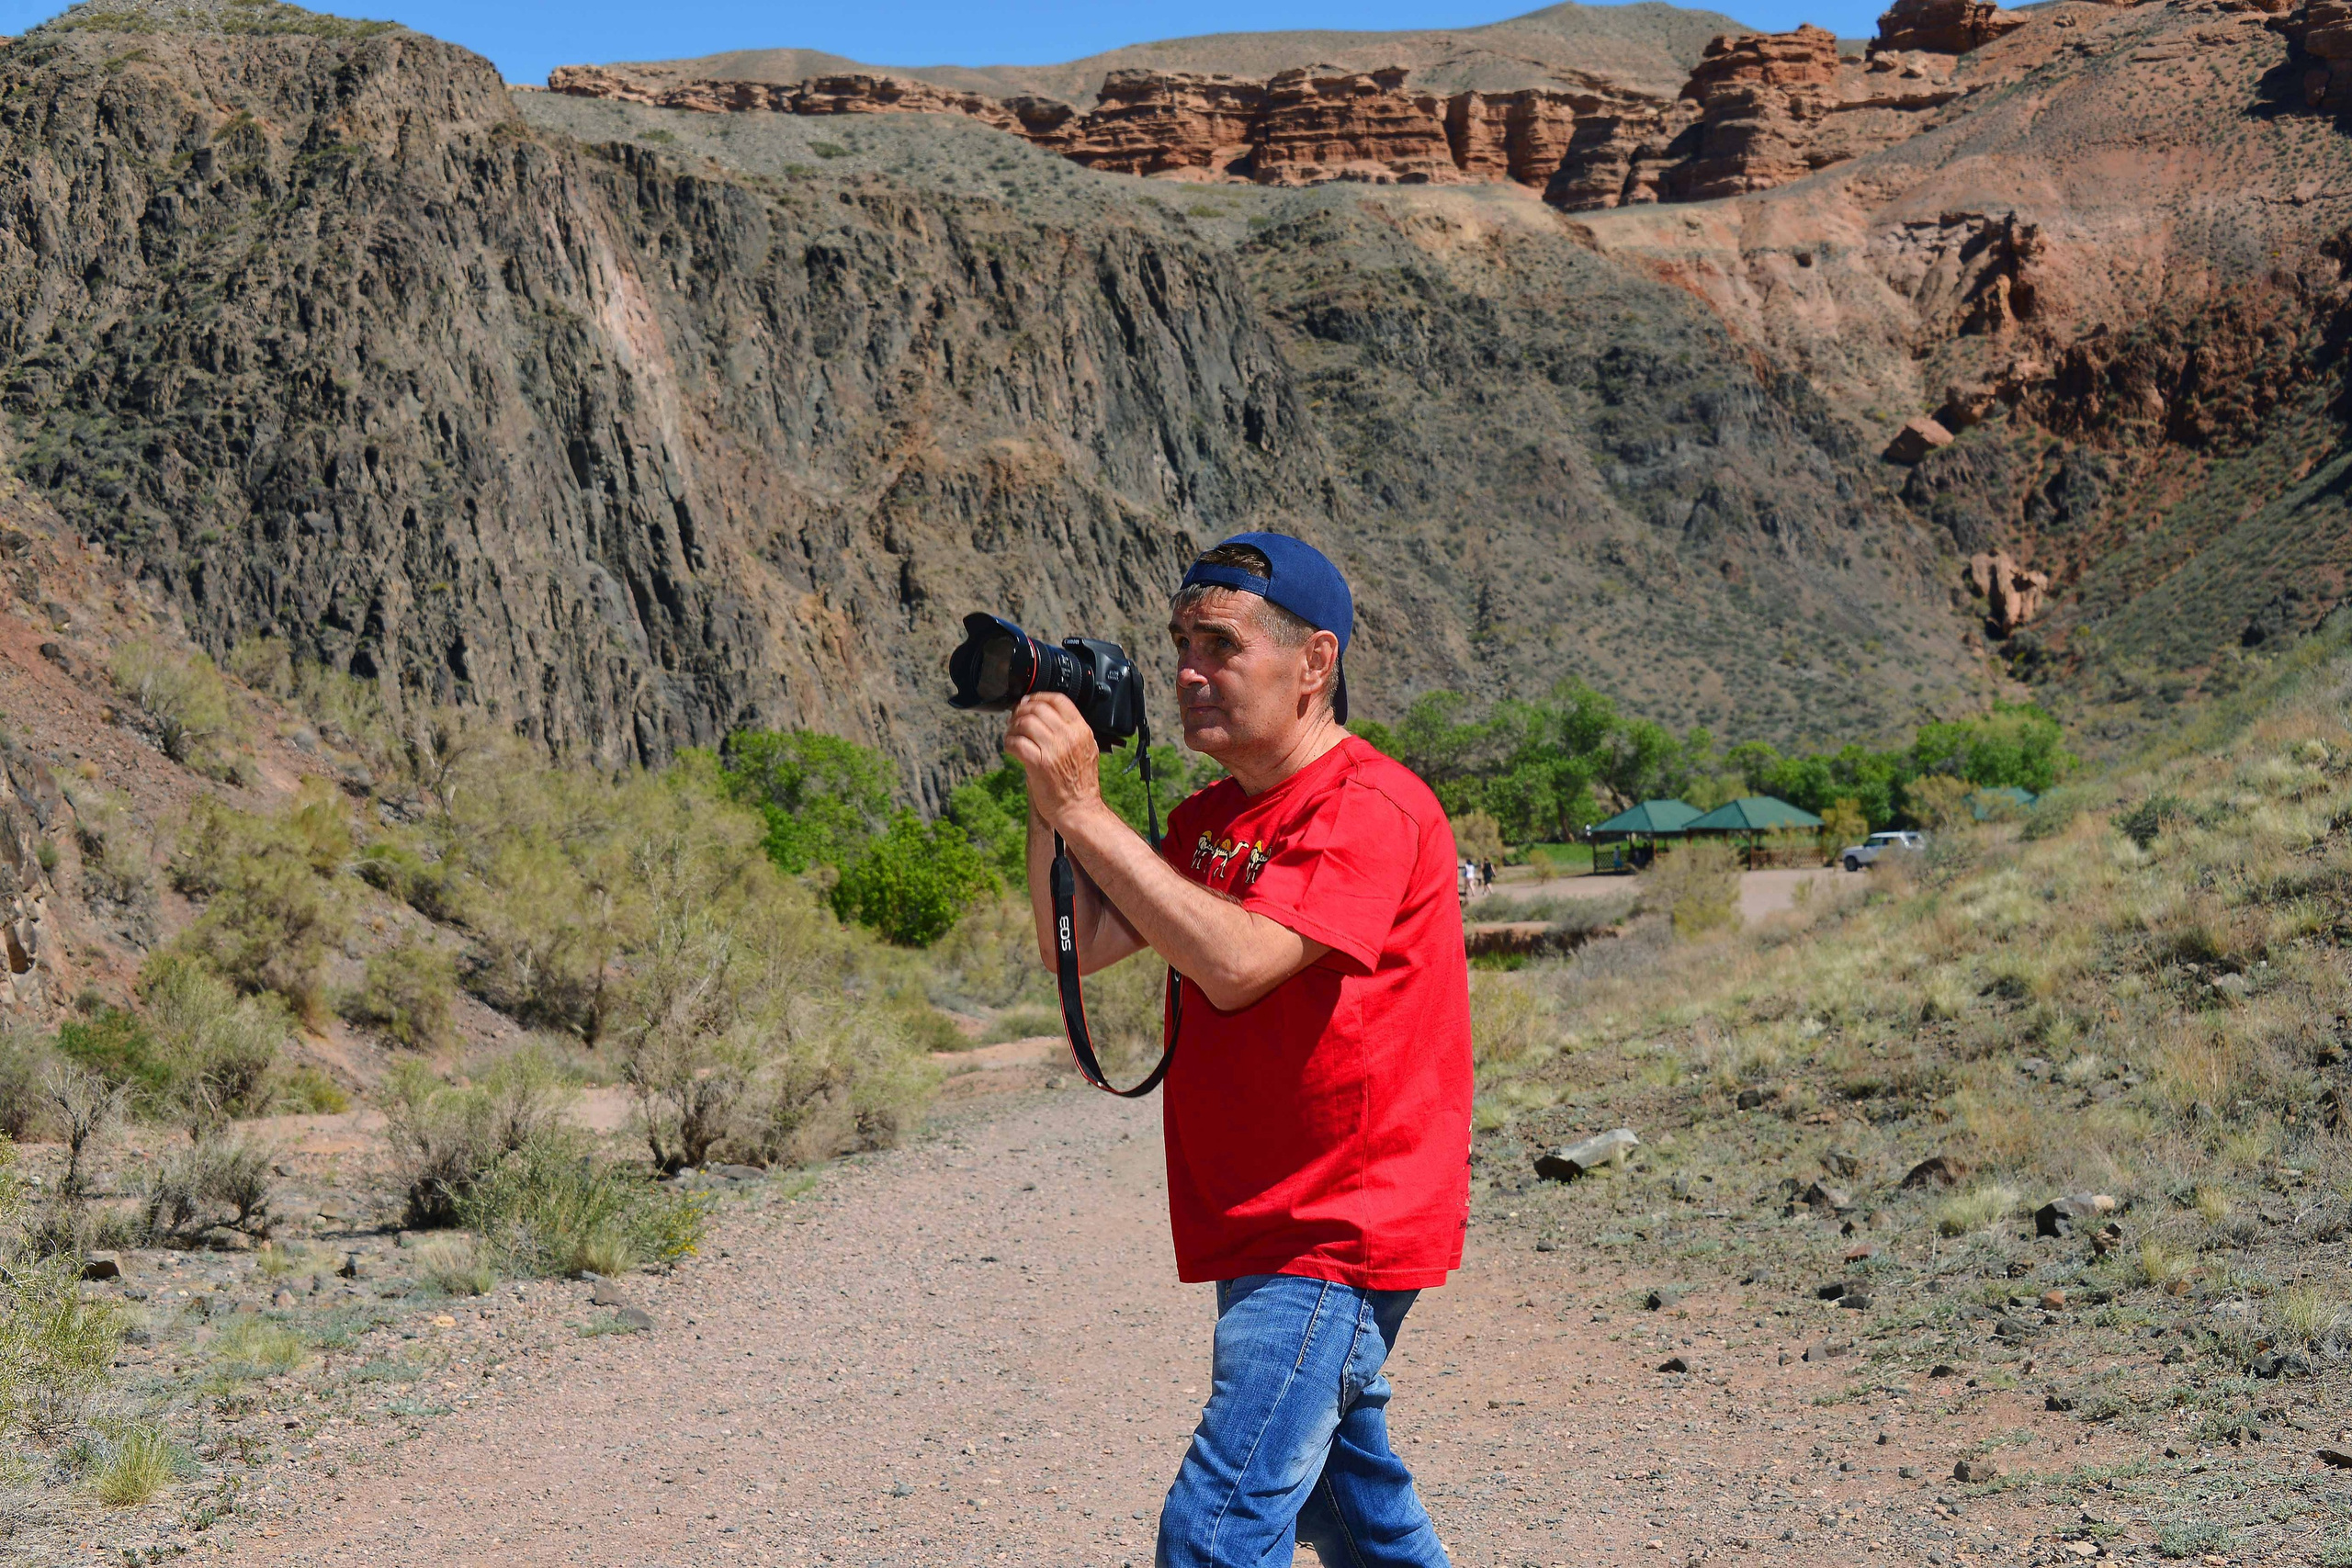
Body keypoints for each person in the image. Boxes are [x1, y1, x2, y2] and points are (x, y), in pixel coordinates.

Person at [1002, 531, 1471, 1568]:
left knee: (1217, 1528)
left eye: (1219, 646)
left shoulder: (1370, 806)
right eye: (1179, 643)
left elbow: (1240, 962)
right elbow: (1070, 945)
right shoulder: (1214, 818)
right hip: (1258, 1216)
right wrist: (1053, 808)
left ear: (1315, 664)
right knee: (1357, 1515)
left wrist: (1087, 808)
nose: (1186, 672)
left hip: (1337, 1229)